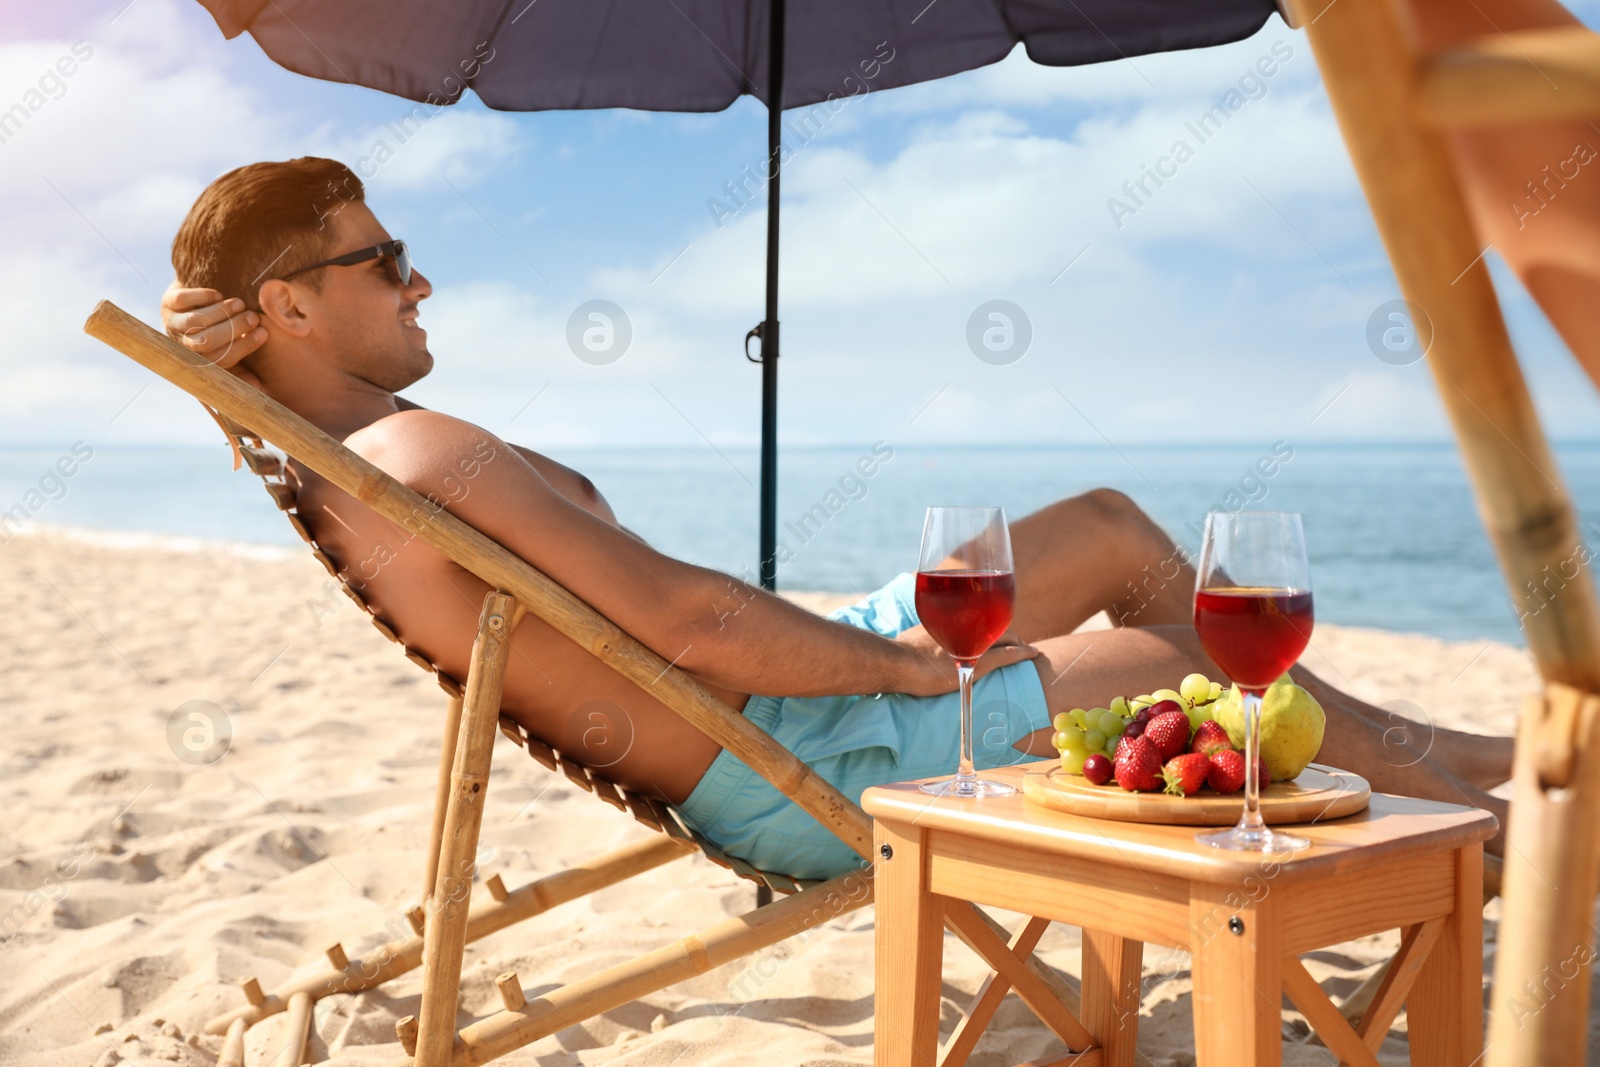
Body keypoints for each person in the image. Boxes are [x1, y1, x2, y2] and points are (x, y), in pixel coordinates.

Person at [160, 157, 1512, 877]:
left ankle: (1458, 753)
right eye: (385, 259)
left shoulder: (334, 459)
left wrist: (226, 374)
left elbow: (692, 628)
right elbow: (688, 620)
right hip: (799, 771)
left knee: (1103, 525)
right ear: (287, 306)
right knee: (1192, 663)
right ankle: (1489, 836)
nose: (421, 282)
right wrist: (905, 667)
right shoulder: (414, 448)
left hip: (787, 709)